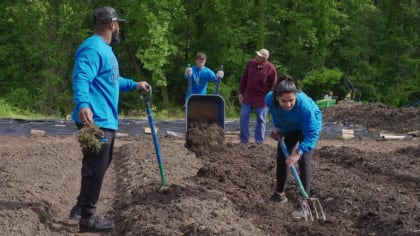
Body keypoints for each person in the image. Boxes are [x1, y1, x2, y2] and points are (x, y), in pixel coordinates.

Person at [69, 6, 150, 232]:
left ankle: (80, 207)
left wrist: (134, 84)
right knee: (95, 166)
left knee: (99, 165)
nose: (119, 29)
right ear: (112, 25)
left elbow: (113, 80)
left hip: (106, 118)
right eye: (118, 25)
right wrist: (83, 104)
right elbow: (81, 77)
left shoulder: (106, 50)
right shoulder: (92, 49)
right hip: (96, 120)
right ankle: (88, 218)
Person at [265, 74, 322, 219]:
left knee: (304, 161)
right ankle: (279, 194)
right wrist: (278, 128)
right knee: (282, 158)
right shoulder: (269, 99)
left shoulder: (305, 107)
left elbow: (311, 133)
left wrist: (298, 152)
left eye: (291, 100)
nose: (288, 104)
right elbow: (276, 114)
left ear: (296, 96)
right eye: (284, 101)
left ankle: (304, 203)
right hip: (290, 126)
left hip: (308, 127)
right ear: (277, 97)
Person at [238, 48, 277, 144]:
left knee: (261, 119)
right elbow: (244, 78)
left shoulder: (270, 68)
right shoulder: (250, 64)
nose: (256, 57)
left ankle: (259, 141)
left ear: (264, 59)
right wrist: (240, 92)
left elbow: (274, 85)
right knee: (243, 116)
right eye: (256, 55)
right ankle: (244, 140)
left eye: (258, 56)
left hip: (262, 98)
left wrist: (270, 98)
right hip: (248, 95)